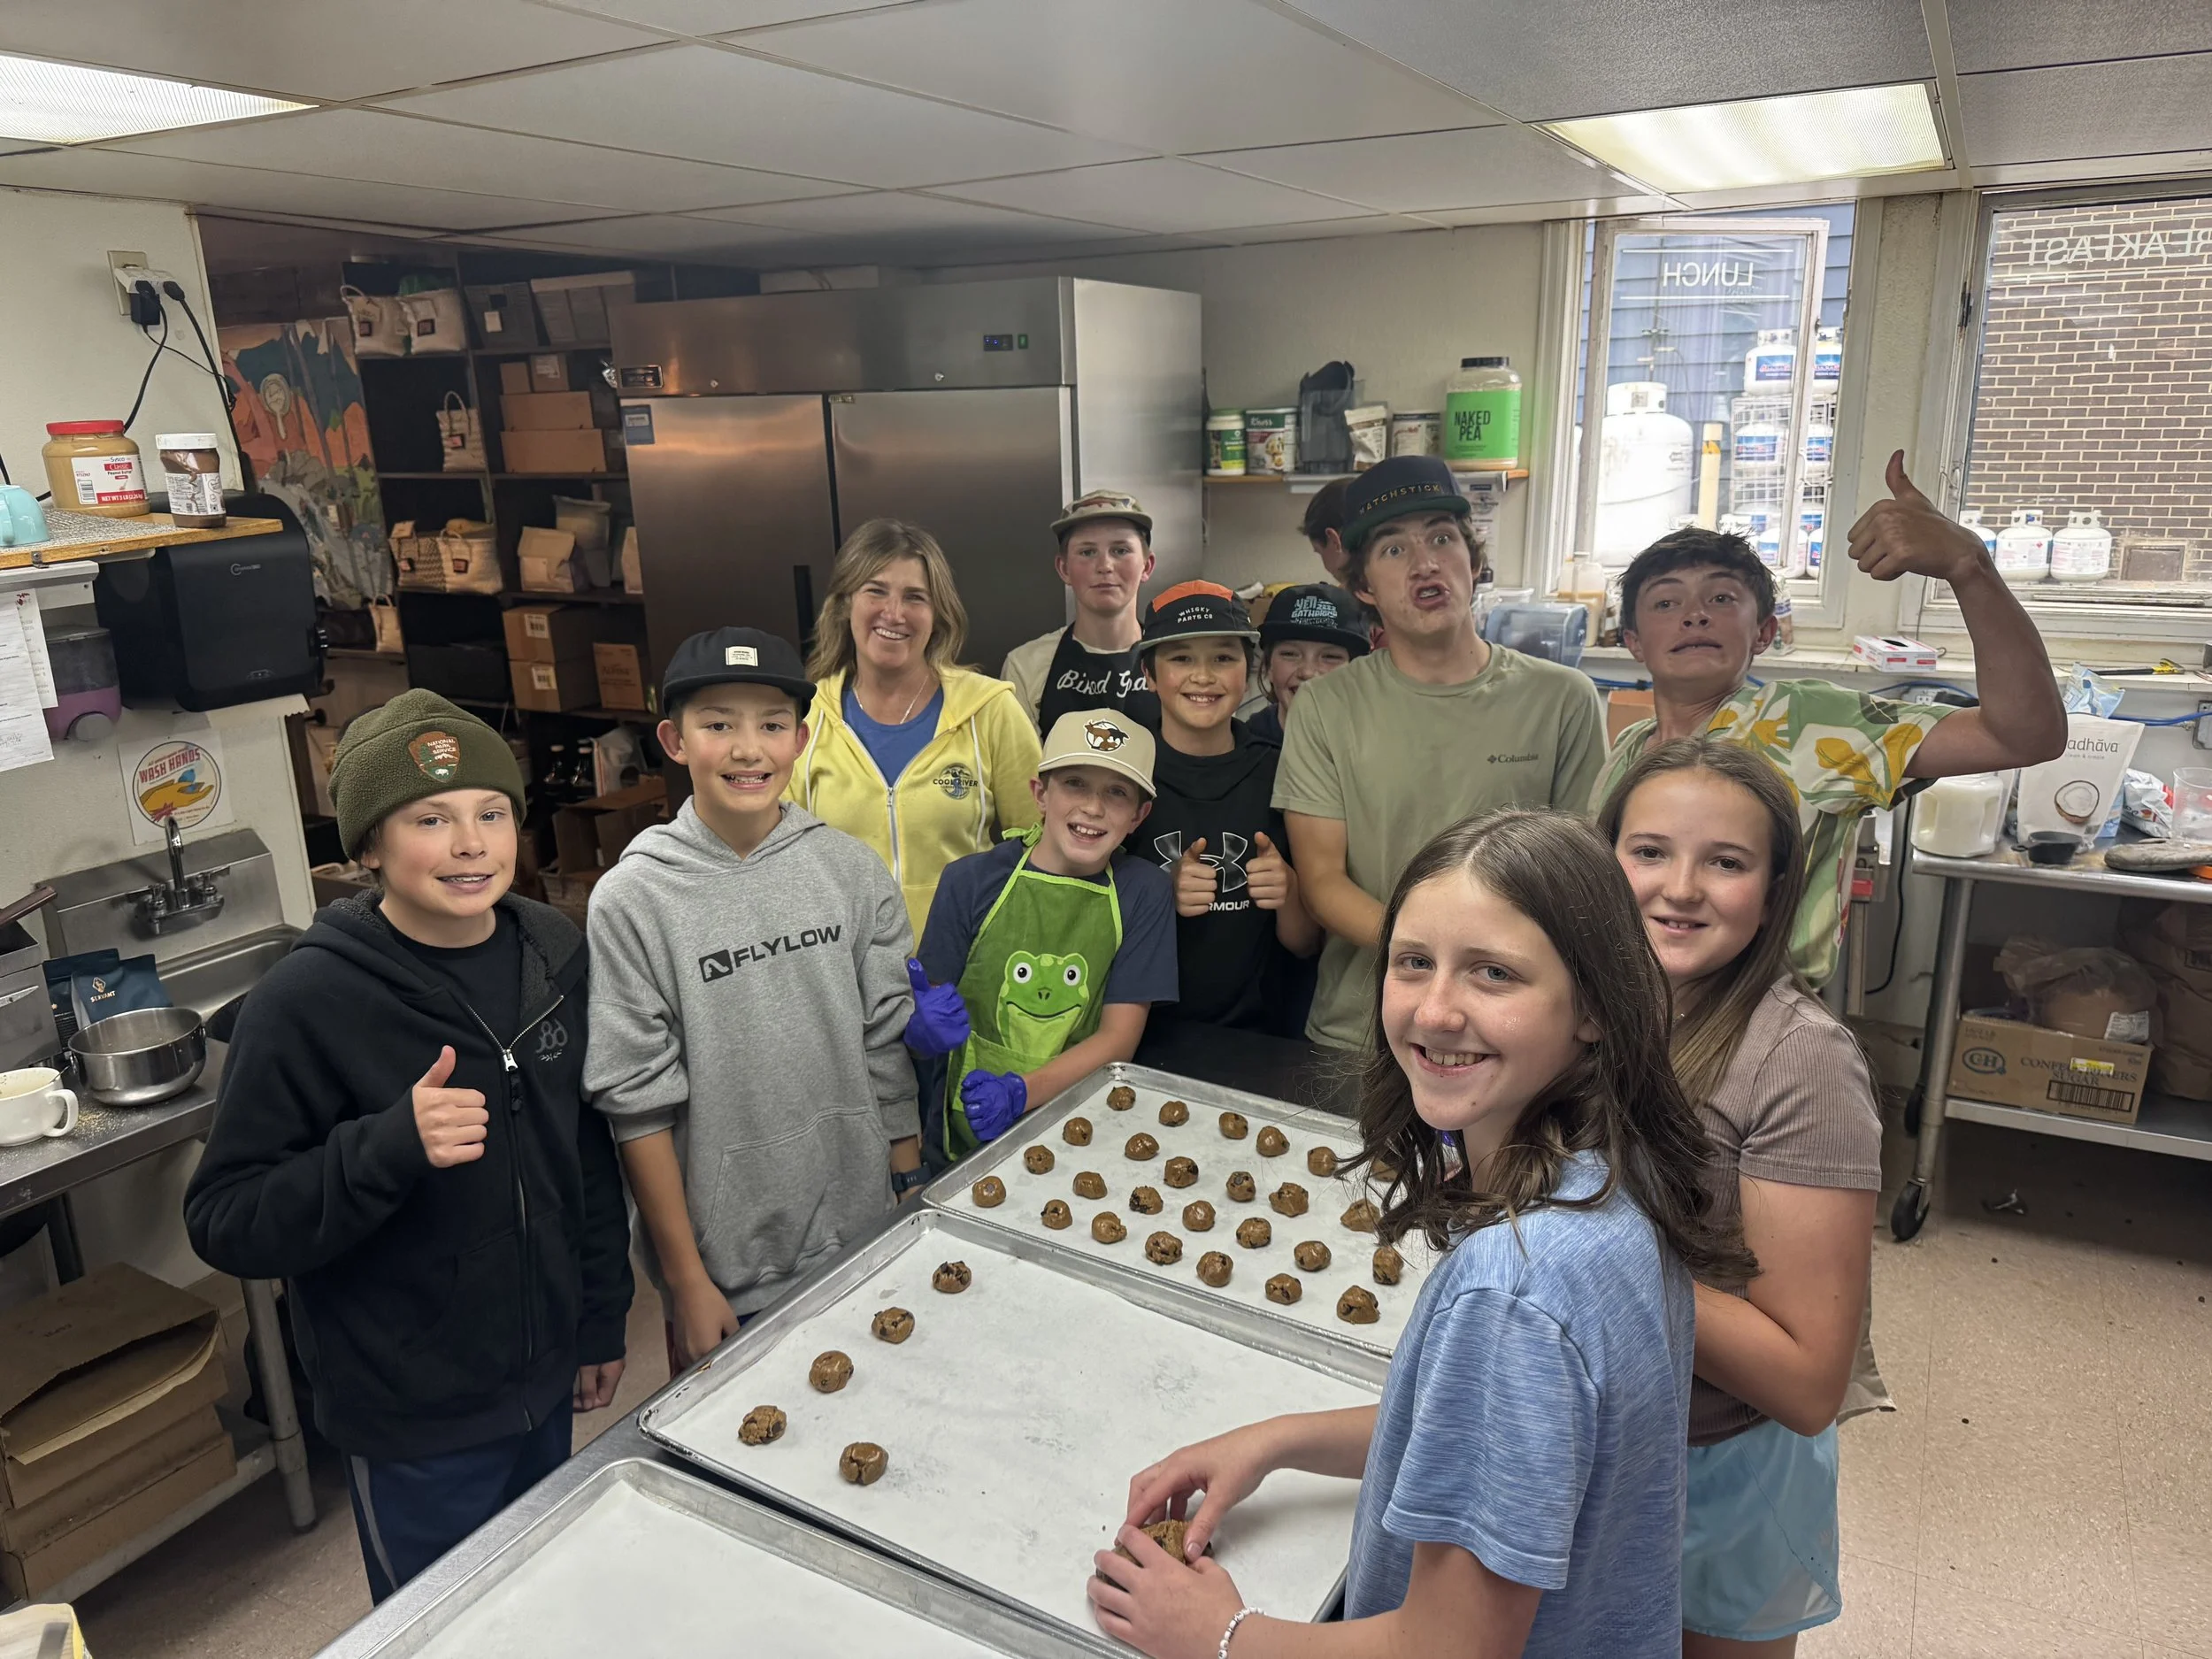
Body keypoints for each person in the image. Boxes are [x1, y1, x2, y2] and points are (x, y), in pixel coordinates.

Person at [1087, 809, 1754, 1659]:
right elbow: (1499, 1441)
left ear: (1593, 1004)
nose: (1436, 1010)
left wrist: (1219, 1634)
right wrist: (1276, 1440)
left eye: (1493, 973)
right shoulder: (1609, 1185)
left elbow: (1450, 1647)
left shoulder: (1516, 1290)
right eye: (1413, 962)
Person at [184, 690, 633, 1603]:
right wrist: (384, 1148)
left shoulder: (552, 953)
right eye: (430, 819)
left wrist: (599, 1317)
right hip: (413, 1414)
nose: (470, 844)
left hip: (545, 1378)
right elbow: (226, 1218)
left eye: (491, 813)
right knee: (443, 1622)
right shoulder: (307, 1003)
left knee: (543, 1599)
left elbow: (585, 1159)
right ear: (369, 847)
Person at [1601, 741, 1883, 1656]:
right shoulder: (1595, 1006)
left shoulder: (1798, 1060)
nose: (1679, 888)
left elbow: (1806, 1383)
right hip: (1597, 1424)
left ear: (1774, 894)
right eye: (1649, 851)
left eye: (1725, 862)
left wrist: (1592, 1249)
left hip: (1718, 1462)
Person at [1594, 452, 2069, 987]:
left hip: (1755, 1016)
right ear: (1633, 642)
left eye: (1722, 598)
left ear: (1764, 633)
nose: (1695, 614)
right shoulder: (1631, 748)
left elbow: (2023, 735)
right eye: (1665, 603)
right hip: (1634, 1006)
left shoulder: (1808, 721)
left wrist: (1970, 568)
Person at [586, 627, 921, 1369]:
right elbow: (637, 1103)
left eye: (771, 725)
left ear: (800, 739)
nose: (748, 749)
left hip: (863, 1231)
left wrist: (906, 1177)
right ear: (674, 740)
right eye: (718, 724)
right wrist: (684, 1279)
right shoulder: (634, 899)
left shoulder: (851, 871)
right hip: (723, 1274)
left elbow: (885, 1038)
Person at [1274, 454, 1607, 1049]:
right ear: (1364, 586)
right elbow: (1323, 882)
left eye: (1442, 538)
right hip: (1362, 1028)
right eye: (1394, 549)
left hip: (1512, 1030)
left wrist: (1479, 971)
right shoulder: (1325, 705)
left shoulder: (1562, 699)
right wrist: (1439, 961)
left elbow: (1578, 877)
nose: (1425, 562)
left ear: (1473, 561)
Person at [908, 708, 1177, 1160]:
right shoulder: (968, 882)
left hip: (1083, 1131)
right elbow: (926, 1026)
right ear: (1040, 794)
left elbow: (1118, 1038)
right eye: (1075, 783)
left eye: (1117, 792)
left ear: (1139, 815)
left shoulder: (1143, 892)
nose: (1093, 808)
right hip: (961, 1136)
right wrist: (920, 1032)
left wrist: (1020, 1092)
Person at [788, 518, 1042, 941]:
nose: (894, 613)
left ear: (937, 613)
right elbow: (781, 859)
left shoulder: (990, 709)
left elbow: (1039, 842)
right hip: (845, 966)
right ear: (846, 603)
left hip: (967, 963)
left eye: (915, 597)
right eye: (876, 591)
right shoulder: (806, 718)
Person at [1131, 580, 1319, 1034]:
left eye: (1222, 658)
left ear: (1248, 670)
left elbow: (1305, 944)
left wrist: (1289, 888)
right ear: (1149, 675)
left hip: (1260, 1037)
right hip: (1144, 1032)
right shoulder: (1124, 776)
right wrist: (1160, 895)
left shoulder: (1281, 771)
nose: (1203, 676)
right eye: (1181, 659)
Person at [1000, 490, 1162, 732]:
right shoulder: (1026, 667)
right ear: (1064, 569)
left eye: (1120, 550)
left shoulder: (1176, 660)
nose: (1105, 566)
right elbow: (1020, 756)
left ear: (1147, 566)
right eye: (1087, 552)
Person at [1244, 580, 1368, 746]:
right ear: (1268, 667)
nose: (1308, 672)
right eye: (1290, 654)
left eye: (1330, 656)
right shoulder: (1243, 746)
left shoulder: (1379, 743)